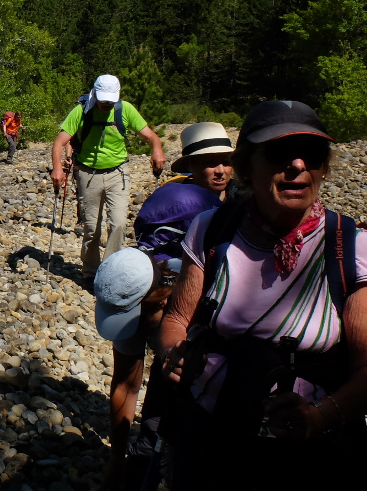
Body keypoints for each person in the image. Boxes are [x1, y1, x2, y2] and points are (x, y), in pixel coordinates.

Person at [159, 101, 367, 490]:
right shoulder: (211, 231)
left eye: (311, 155)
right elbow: (177, 319)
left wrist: (319, 417)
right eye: (279, 153)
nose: (297, 165)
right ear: (246, 166)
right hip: (214, 441)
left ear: (323, 167)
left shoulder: (353, 248)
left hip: (314, 454)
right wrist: (172, 355)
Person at [95, 122, 234, 490]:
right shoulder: (216, 209)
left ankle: (139, 461)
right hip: (158, 297)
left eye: (225, 162)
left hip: (148, 291)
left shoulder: (173, 198)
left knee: (149, 382)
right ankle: (146, 461)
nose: (220, 170)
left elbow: (125, 384)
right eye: (210, 163)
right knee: (165, 385)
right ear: (191, 165)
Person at [51, 74, 167, 280]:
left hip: (118, 173)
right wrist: (57, 168)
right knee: (91, 227)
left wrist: (157, 150)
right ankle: (90, 271)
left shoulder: (125, 109)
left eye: (110, 100)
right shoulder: (81, 112)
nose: (106, 104)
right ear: (95, 94)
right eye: (103, 99)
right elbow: (59, 142)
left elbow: (150, 136)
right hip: (88, 174)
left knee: (119, 223)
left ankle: (110, 271)